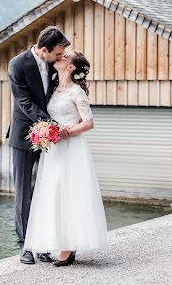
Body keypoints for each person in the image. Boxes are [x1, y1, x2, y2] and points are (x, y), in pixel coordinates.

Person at [23, 51, 108, 266]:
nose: (60, 57)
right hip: (54, 150)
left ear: (71, 67)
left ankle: (70, 247)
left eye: (65, 57)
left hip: (71, 148)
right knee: (54, 192)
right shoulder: (54, 89)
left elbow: (88, 122)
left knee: (70, 193)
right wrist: (46, 132)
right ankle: (58, 241)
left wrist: (65, 131)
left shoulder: (77, 92)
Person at [7, 25, 71, 264]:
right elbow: (24, 103)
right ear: (43, 50)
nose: (60, 58)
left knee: (44, 191)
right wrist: (53, 125)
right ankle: (25, 246)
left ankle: (42, 242)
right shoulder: (17, 64)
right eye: (57, 54)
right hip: (25, 136)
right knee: (24, 192)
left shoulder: (55, 64)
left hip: (52, 139)